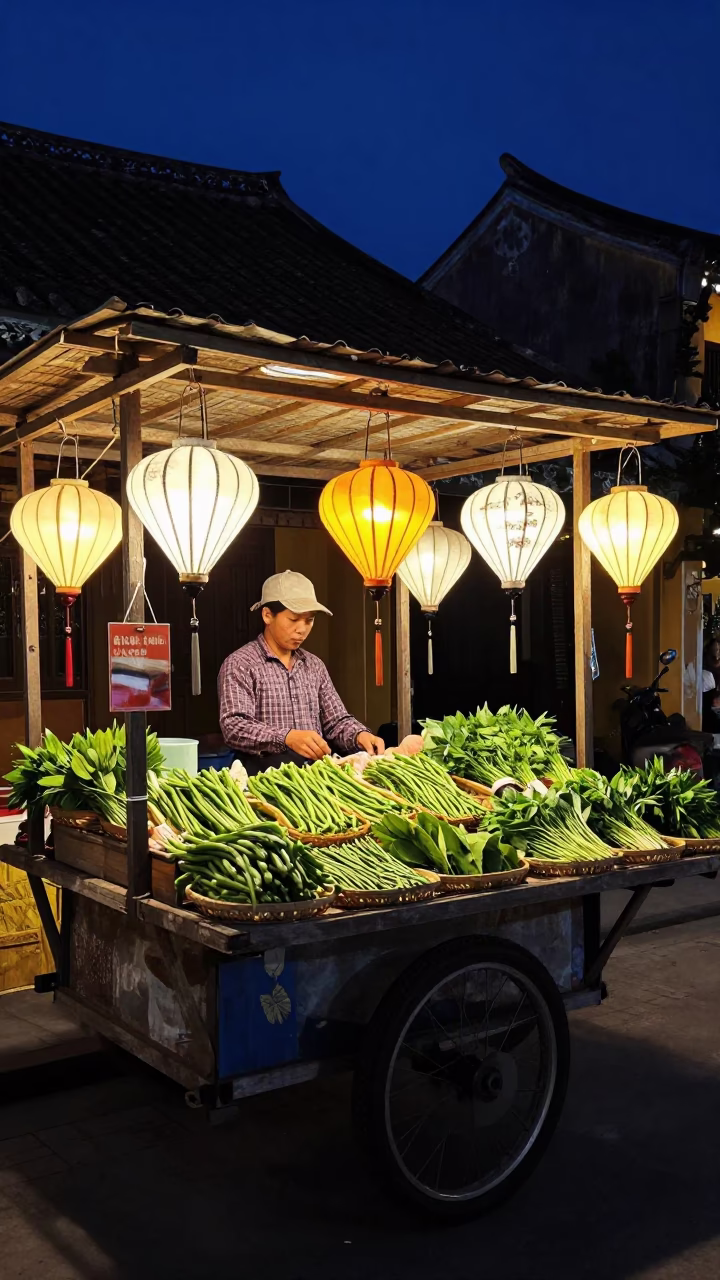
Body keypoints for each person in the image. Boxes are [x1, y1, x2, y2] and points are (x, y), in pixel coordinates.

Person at [218, 570, 385, 774]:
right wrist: (287, 738)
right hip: (263, 780)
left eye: (309, 620)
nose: (302, 629)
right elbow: (234, 727)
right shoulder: (241, 664)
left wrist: (360, 735)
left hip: (315, 778)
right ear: (267, 615)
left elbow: (337, 721)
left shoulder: (314, 666)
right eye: (294, 619)